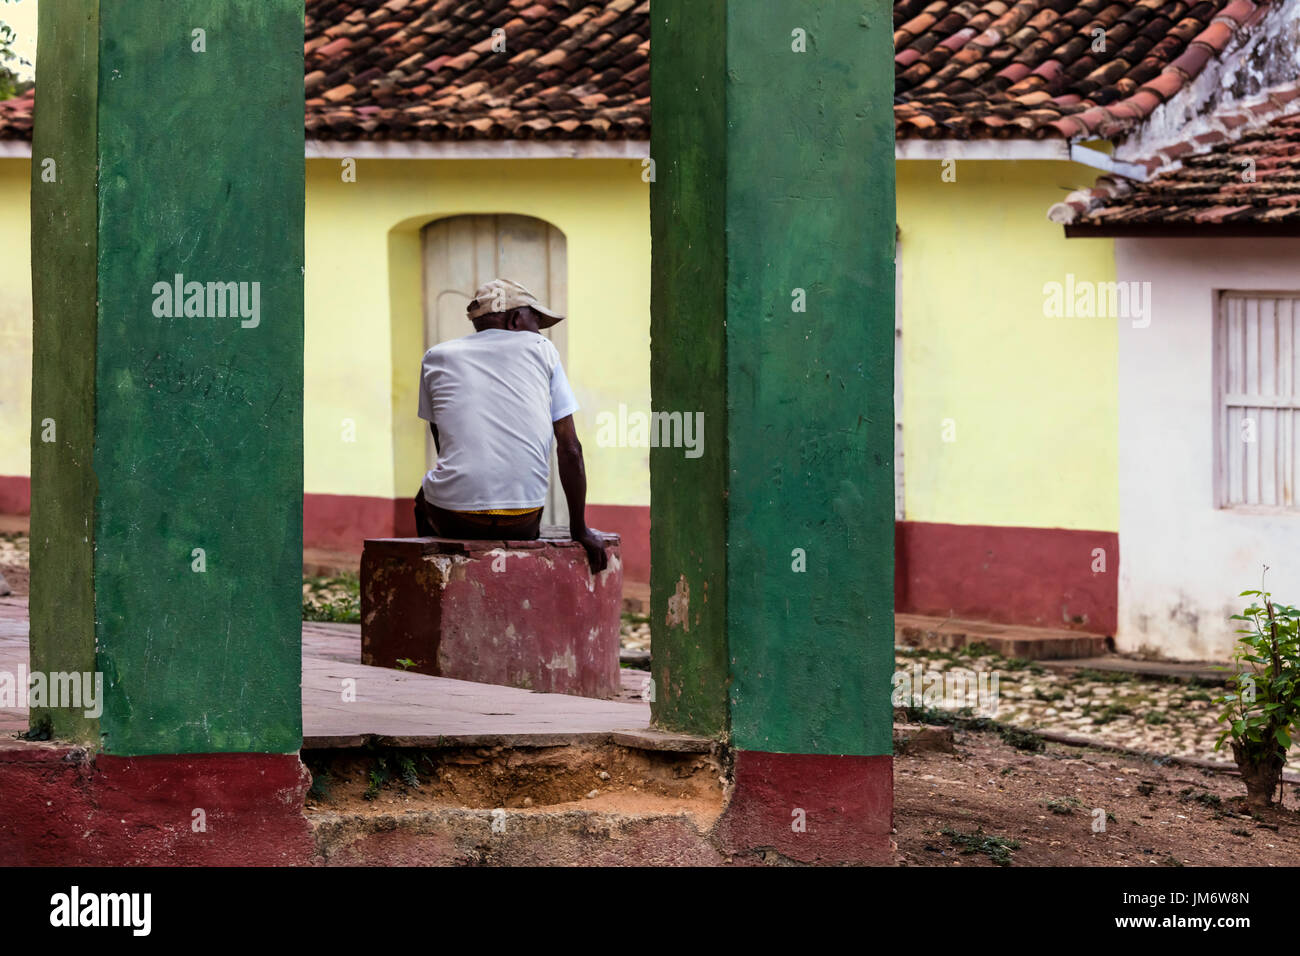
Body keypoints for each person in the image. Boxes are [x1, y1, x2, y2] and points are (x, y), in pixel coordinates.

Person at [414, 278, 608, 573]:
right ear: (516, 319)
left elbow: (444, 442)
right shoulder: (542, 349)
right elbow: (570, 449)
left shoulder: (436, 356)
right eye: (536, 320)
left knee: (422, 498)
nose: (539, 330)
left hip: (453, 516)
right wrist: (580, 530)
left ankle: (434, 583)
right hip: (521, 519)